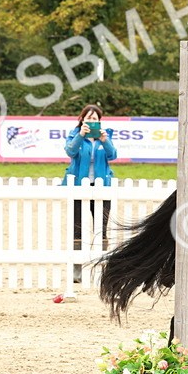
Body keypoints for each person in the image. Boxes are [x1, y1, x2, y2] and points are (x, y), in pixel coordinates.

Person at [64, 104, 118, 280]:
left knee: (101, 230)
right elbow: (70, 151)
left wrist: (105, 140)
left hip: (102, 187)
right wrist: (81, 135)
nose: (91, 121)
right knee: (77, 230)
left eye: (95, 119)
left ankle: (102, 269)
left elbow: (113, 155)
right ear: (82, 120)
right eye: (88, 118)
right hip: (79, 185)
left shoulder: (105, 136)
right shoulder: (74, 134)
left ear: (99, 121)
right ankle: (77, 270)